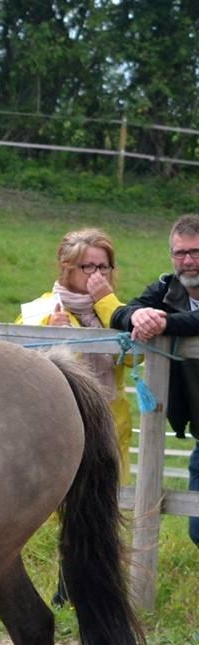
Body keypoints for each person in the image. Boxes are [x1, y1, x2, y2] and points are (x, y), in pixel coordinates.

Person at [19, 227, 132, 605]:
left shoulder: (116, 311)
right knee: (61, 509)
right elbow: (17, 360)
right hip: (57, 428)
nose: (96, 275)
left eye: (104, 266)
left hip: (109, 427)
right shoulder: (38, 311)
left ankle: (95, 592)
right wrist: (53, 339)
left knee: (103, 511)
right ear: (67, 268)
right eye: (87, 266)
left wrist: (106, 304)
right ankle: (63, 590)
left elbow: (136, 356)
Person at [110, 213, 199, 545]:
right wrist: (138, 314)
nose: (188, 261)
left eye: (195, 252)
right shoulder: (167, 288)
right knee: (198, 529)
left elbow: (193, 321)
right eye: (180, 253)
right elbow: (122, 312)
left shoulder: (172, 307)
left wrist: (164, 324)